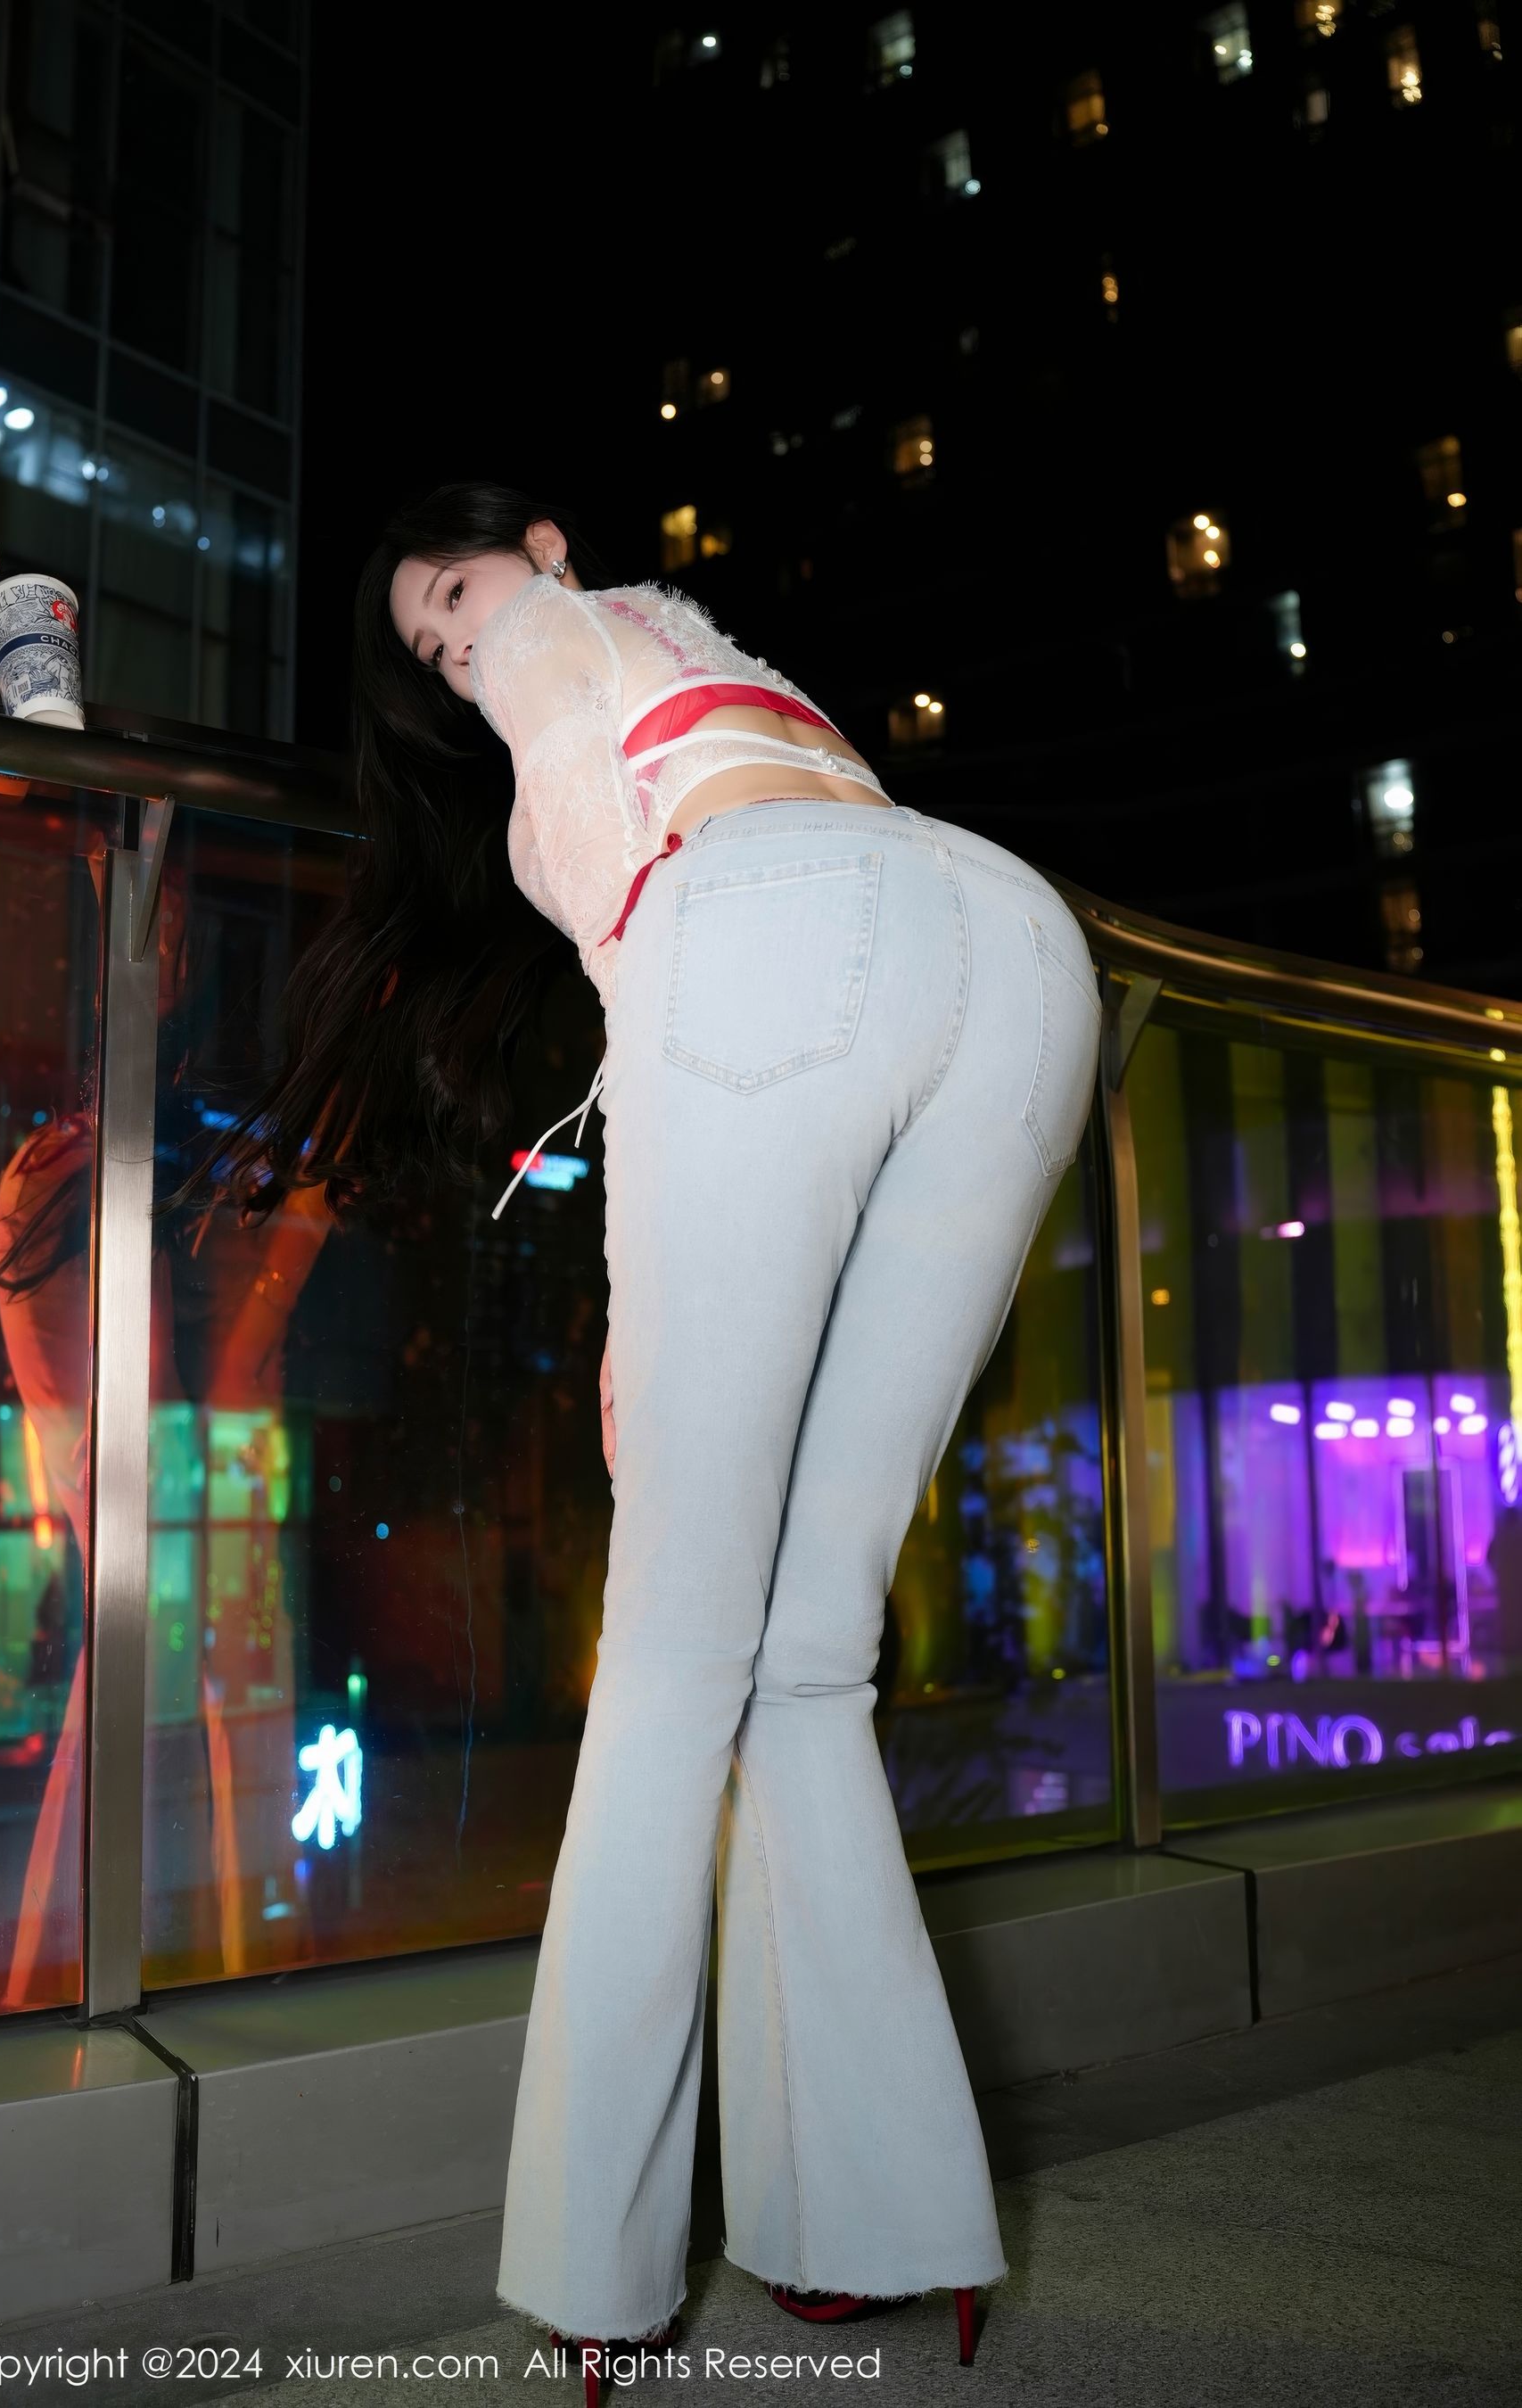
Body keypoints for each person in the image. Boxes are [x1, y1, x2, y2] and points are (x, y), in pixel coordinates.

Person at [193, 481, 1102, 2400]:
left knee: (675, 1650)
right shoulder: (729, 657)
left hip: (763, 919)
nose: (460, 648)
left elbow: (629, 871)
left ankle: (599, 2270)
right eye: (434, 650)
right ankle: (873, 2219)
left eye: (452, 595)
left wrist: (643, 1281)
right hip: (1017, 950)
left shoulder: (558, 632)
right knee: (809, 1655)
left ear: (536, 543)